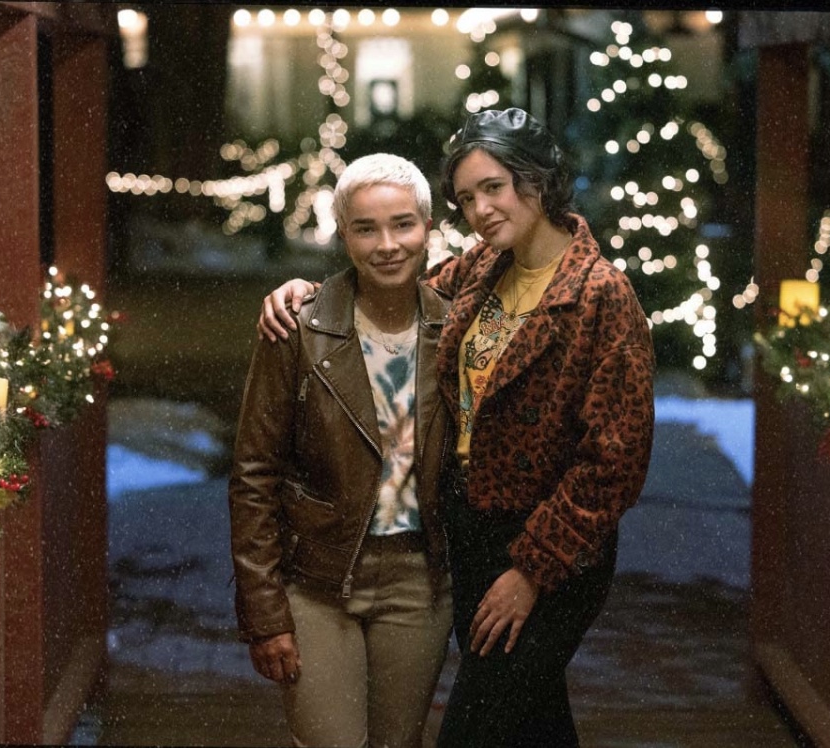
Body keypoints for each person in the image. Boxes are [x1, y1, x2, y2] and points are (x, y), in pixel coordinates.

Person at [258, 108, 655, 747]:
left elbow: (615, 461)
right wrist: (306, 295)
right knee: (531, 721)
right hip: (473, 536)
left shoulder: (600, 294)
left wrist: (531, 569)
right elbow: (387, 288)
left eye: (493, 187)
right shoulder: (483, 270)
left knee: (477, 724)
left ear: (536, 180)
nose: (480, 209)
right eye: (466, 197)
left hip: (548, 548)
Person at [229, 153, 453, 748]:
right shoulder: (298, 327)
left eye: (403, 224)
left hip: (418, 579)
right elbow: (254, 475)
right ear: (343, 235)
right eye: (365, 228)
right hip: (317, 579)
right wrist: (264, 612)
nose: (387, 244)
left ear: (427, 228)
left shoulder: (455, 330)